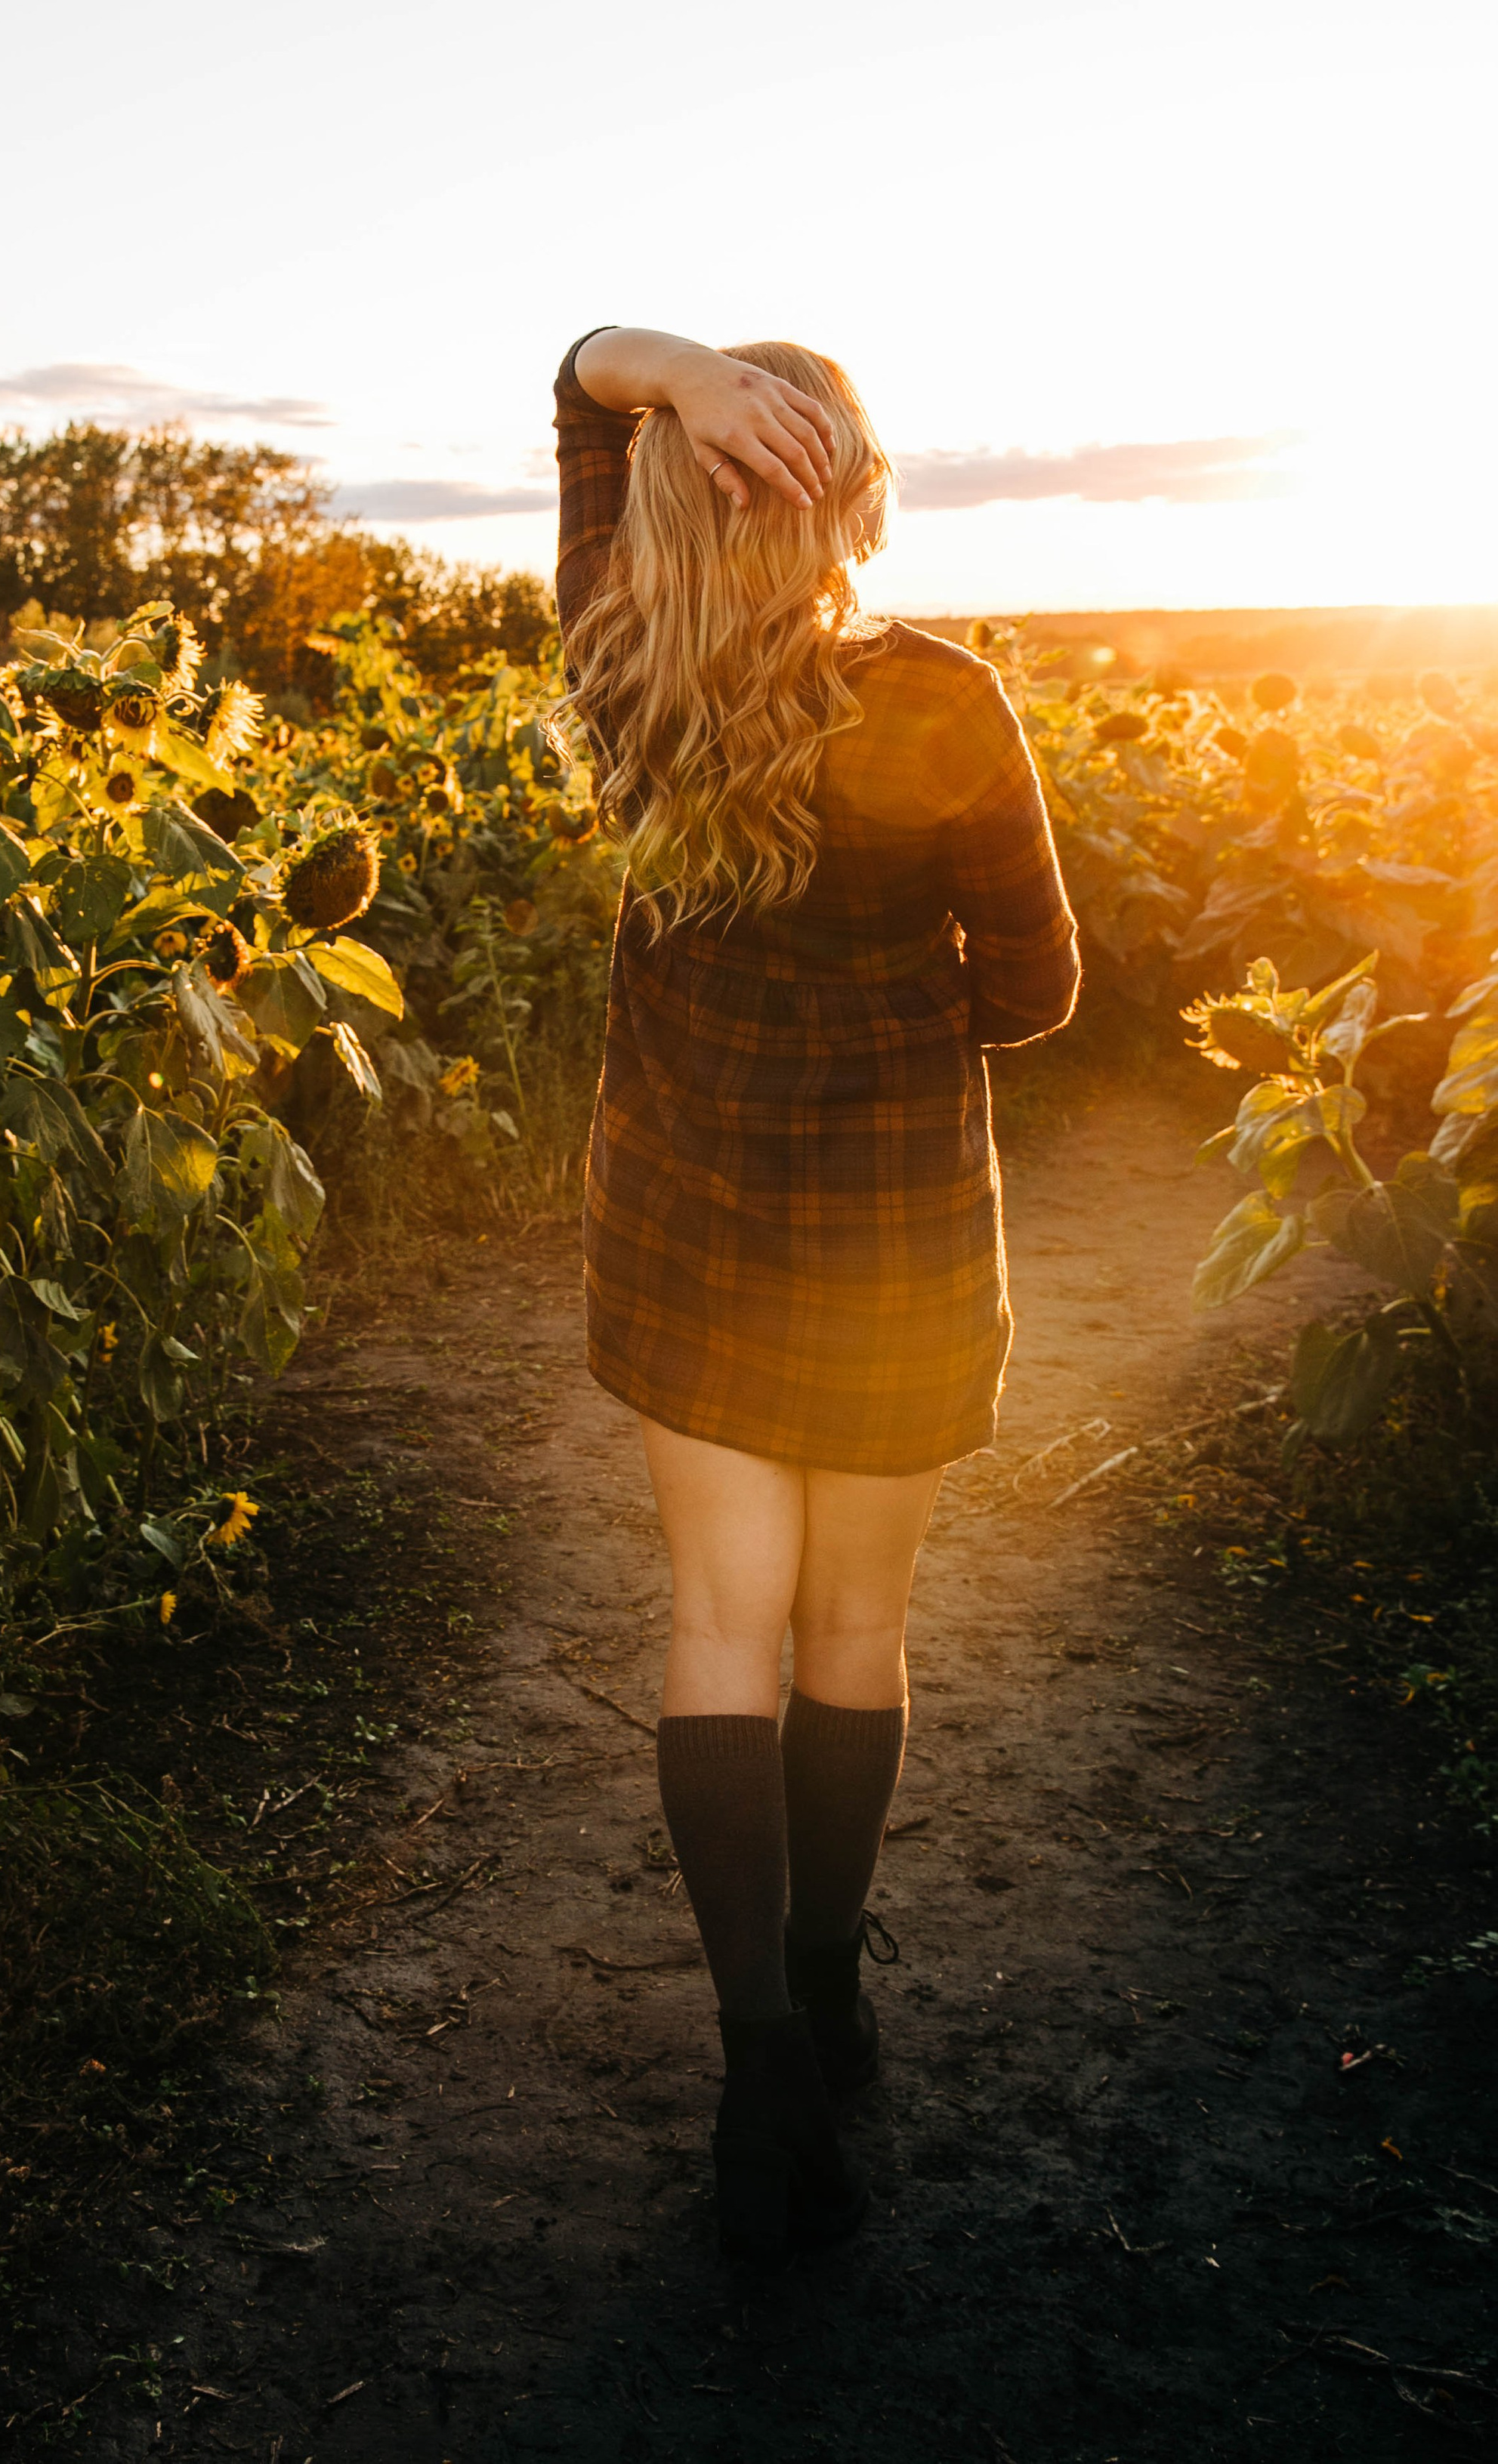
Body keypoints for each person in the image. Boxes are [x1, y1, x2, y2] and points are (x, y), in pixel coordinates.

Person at [553, 326, 1080, 2262]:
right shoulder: (943, 698)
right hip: (892, 1240)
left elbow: (575, 385)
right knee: (851, 1626)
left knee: (718, 1622)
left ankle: (760, 2062)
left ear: (667, 486)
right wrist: (910, 1008)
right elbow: (1038, 991)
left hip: (689, 1227)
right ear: (853, 494)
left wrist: (669, 374)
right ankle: (832, 1985)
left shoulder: (617, 657)